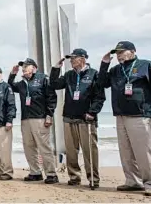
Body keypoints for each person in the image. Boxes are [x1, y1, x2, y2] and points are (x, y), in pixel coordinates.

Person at [97, 41, 151, 196]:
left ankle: (149, 182)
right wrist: (104, 63)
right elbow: (101, 83)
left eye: (122, 52)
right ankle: (133, 181)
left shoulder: (145, 65)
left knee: (143, 152)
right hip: (120, 115)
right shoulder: (116, 70)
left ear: (132, 51)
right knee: (126, 151)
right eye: (117, 53)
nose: (119, 55)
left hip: (140, 115)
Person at [49, 48, 106, 188]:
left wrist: (92, 112)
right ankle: (74, 177)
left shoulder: (94, 74)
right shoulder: (69, 75)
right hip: (69, 117)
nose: (72, 61)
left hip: (86, 119)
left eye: (74, 58)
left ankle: (93, 178)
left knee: (89, 151)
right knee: (71, 151)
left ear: (83, 58)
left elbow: (100, 97)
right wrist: (56, 68)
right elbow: (54, 84)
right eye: (71, 59)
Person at [8, 58, 59, 184]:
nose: (24, 68)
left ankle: (51, 174)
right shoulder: (22, 83)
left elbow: (51, 97)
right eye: (23, 66)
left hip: (40, 118)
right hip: (26, 119)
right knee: (29, 147)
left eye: (26, 66)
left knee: (44, 146)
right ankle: (35, 172)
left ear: (34, 68)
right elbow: (10, 86)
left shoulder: (43, 79)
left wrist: (49, 115)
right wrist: (12, 74)